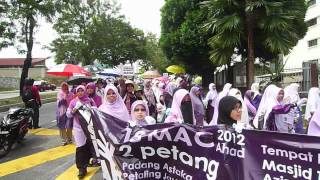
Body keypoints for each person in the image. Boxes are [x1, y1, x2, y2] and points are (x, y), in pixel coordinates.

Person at [67, 85, 96, 178]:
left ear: (85, 91)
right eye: (78, 91)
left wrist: (91, 109)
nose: (80, 92)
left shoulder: (90, 100)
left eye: (82, 91)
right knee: (80, 148)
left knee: (90, 145)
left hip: (89, 127)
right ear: (76, 92)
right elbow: (68, 115)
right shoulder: (73, 101)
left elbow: (96, 111)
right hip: (78, 128)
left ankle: (90, 162)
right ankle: (81, 169)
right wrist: (73, 110)